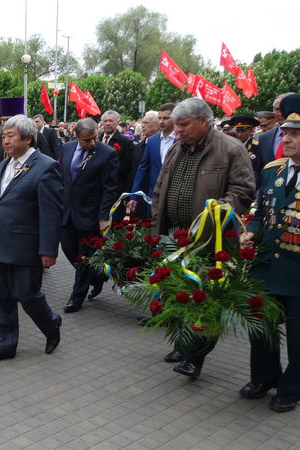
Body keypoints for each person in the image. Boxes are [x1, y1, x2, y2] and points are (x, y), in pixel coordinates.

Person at [151, 97, 256, 378]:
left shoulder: (230, 149)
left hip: (212, 241)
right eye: (177, 125)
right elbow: (160, 187)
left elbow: (244, 191)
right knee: (178, 294)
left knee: (204, 299)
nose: (179, 131)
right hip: (176, 239)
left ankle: (195, 358)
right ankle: (182, 344)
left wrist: (222, 209)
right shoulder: (176, 148)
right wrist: (155, 224)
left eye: (184, 125)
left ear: (204, 121)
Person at [0, 114, 63, 363]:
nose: (5, 141)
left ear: (27, 138)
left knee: (27, 295)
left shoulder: (46, 166)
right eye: (3, 136)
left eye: (10, 136)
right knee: (0, 295)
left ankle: (51, 323)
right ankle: (4, 345)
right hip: (0, 242)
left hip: (26, 245)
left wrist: (49, 250)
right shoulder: (4, 164)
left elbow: (50, 213)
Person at [240, 93, 300, 413]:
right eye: (286, 131)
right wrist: (251, 231)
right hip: (266, 265)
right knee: (260, 326)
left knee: (297, 336)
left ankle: (291, 388)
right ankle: (264, 377)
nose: (285, 137)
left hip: (298, 271)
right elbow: (260, 212)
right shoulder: (273, 170)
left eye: (294, 134)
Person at [60, 118, 119, 313]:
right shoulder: (67, 148)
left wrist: (104, 216)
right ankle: (97, 276)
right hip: (67, 212)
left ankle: (77, 298)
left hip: (90, 214)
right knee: (68, 249)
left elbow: (109, 188)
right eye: (87, 140)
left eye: (95, 138)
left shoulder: (107, 154)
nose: (92, 143)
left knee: (84, 257)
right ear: (76, 136)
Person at [131, 103, 176, 205]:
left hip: (174, 195)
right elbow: (143, 168)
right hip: (154, 195)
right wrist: (134, 195)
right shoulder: (152, 141)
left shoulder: (181, 140)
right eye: (159, 118)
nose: (161, 121)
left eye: (166, 118)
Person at [252, 92, 296, 165]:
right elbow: (258, 169)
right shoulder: (263, 138)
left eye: (284, 108)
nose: (280, 113)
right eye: (277, 109)